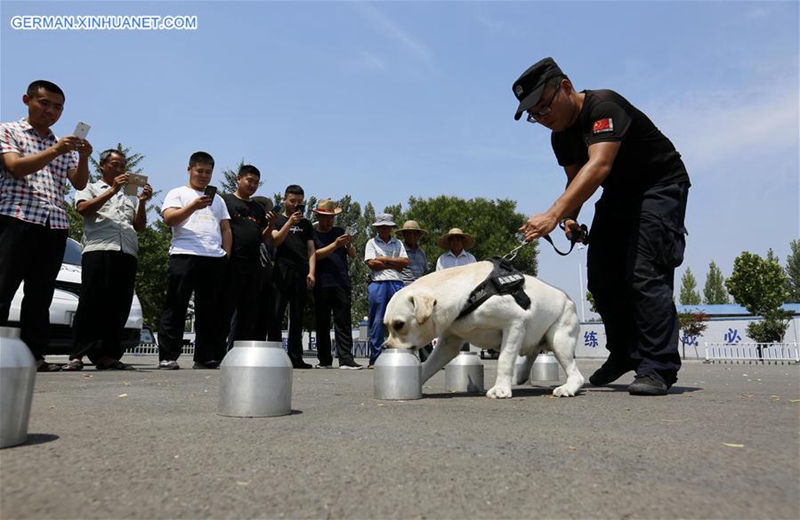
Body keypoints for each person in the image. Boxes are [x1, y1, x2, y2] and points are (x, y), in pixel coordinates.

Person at [512, 57, 690, 396]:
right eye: (534, 115)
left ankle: (657, 366)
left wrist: (551, 215)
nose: (543, 118)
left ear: (565, 86)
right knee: (602, 275)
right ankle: (624, 353)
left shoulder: (604, 106)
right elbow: (575, 180)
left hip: (658, 186)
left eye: (544, 107)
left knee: (644, 272)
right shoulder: (560, 136)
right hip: (618, 195)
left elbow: (598, 167)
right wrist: (569, 218)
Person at [0, 80, 92, 372]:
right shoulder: (8, 130)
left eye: (58, 107)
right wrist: (55, 151)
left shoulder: (61, 144)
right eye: (45, 103)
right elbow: (15, 167)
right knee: (3, 287)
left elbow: (78, 182)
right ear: (27, 100)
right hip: (16, 217)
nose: (51, 111)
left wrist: (84, 157)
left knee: (40, 295)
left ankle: (33, 355)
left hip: (54, 224)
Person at [64, 149, 153, 371]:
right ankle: (78, 354)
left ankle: (108, 355)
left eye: (122, 165)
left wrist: (142, 202)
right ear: (102, 165)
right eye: (114, 164)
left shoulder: (129, 195)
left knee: (119, 304)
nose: (119, 169)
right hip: (99, 248)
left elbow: (139, 226)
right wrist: (112, 190)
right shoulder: (90, 186)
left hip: (127, 251)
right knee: (91, 302)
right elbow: (83, 209)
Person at [157, 151, 231, 370]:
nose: (204, 176)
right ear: (189, 169)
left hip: (213, 257)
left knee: (210, 311)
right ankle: (168, 356)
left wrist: (226, 254)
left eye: (208, 172)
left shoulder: (218, 199)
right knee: (176, 306)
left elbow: (226, 228)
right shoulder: (178, 193)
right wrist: (193, 206)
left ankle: (205, 356)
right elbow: (169, 219)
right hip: (184, 254)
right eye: (200, 171)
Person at [221, 165, 273, 347]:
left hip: (253, 266)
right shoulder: (224, 201)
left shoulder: (258, 208)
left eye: (256, 183)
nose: (252, 185)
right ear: (239, 179)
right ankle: (215, 354)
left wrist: (271, 225)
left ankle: (239, 352)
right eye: (249, 181)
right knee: (225, 311)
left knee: (248, 313)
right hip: (232, 262)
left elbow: (262, 238)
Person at [268, 185, 315, 369]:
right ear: (284, 200)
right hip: (281, 268)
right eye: (292, 201)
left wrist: (311, 272)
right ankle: (273, 355)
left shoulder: (306, 224)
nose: (296, 205)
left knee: (297, 315)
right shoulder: (277, 219)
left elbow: (311, 249)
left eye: (299, 202)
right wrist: (289, 223)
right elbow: (275, 240)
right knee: (276, 313)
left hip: (301, 271)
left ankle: (296, 356)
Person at [311, 199, 362, 370]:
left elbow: (353, 254)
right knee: (322, 322)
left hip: (341, 281)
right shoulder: (313, 233)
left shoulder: (339, 231)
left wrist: (347, 244)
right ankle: (324, 360)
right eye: (325, 217)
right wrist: (335, 245)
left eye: (331, 217)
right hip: (322, 282)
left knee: (343, 322)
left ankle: (346, 359)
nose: (329, 221)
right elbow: (314, 255)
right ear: (318, 216)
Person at [364, 213, 408, 368]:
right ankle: (375, 358)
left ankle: (398, 355)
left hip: (396, 282)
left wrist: (384, 259)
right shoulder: (371, 242)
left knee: (398, 320)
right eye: (381, 227)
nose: (384, 229)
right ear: (377, 228)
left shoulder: (398, 243)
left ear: (390, 228)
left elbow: (404, 262)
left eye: (386, 227)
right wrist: (393, 264)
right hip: (378, 282)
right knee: (377, 320)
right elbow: (371, 264)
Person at [396, 220, 433, 360]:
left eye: (414, 233)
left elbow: (424, 271)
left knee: (423, 321)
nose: (411, 235)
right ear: (404, 235)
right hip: (405, 288)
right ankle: (405, 355)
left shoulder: (421, 252)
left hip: (420, 289)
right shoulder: (400, 250)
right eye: (408, 233)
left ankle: (426, 356)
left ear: (418, 235)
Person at [252, 196, 277, 341]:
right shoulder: (249, 226)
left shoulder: (271, 230)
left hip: (267, 277)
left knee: (264, 315)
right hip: (250, 275)